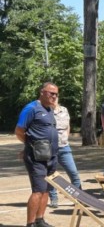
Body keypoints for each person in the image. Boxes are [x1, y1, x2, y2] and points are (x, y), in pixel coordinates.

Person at [15, 82, 59, 227]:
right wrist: (30, 146)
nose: (54, 96)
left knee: (47, 188)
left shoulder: (50, 109)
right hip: (36, 157)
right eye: (51, 93)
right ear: (42, 92)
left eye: (56, 94)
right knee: (38, 190)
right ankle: (30, 223)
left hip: (51, 156)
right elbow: (19, 131)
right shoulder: (31, 108)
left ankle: (40, 220)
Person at [48, 99, 81, 208]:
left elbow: (67, 126)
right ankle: (53, 198)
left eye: (55, 97)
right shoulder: (45, 111)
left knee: (74, 173)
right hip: (50, 148)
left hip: (64, 147)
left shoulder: (64, 110)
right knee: (50, 175)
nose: (53, 99)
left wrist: (66, 136)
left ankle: (79, 198)